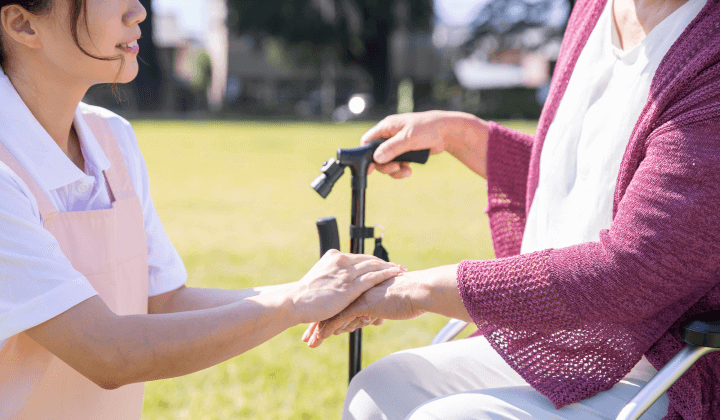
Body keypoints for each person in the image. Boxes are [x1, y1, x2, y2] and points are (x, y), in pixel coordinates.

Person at [303, 0, 720, 418]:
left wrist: (420, 290)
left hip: (659, 365)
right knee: (377, 392)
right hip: (557, 340)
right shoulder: (595, 9)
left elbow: (631, 272)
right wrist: (464, 136)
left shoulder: (710, 52)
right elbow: (590, 181)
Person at [0, 1, 405, 419]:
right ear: (22, 24)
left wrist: (316, 292)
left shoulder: (111, 138)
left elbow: (163, 303)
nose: (137, 11)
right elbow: (108, 351)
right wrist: (297, 301)